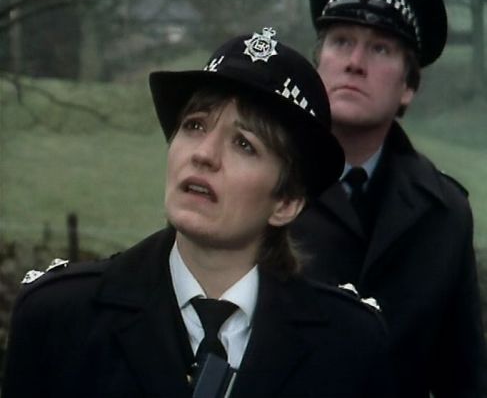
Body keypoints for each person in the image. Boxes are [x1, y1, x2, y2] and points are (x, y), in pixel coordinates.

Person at [2, 28, 396, 398]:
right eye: (194, 126)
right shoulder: (59, 316)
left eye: (244, 144)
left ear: (287, 202)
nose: (204, 154)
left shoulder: (350, 345)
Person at [291, 0, 487, 397]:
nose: (355, 63)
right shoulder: (262, 184)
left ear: (408, 87)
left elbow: (463, 379)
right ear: (317, 63)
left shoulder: (444, 213)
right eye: (341, 41)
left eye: (380, 48)